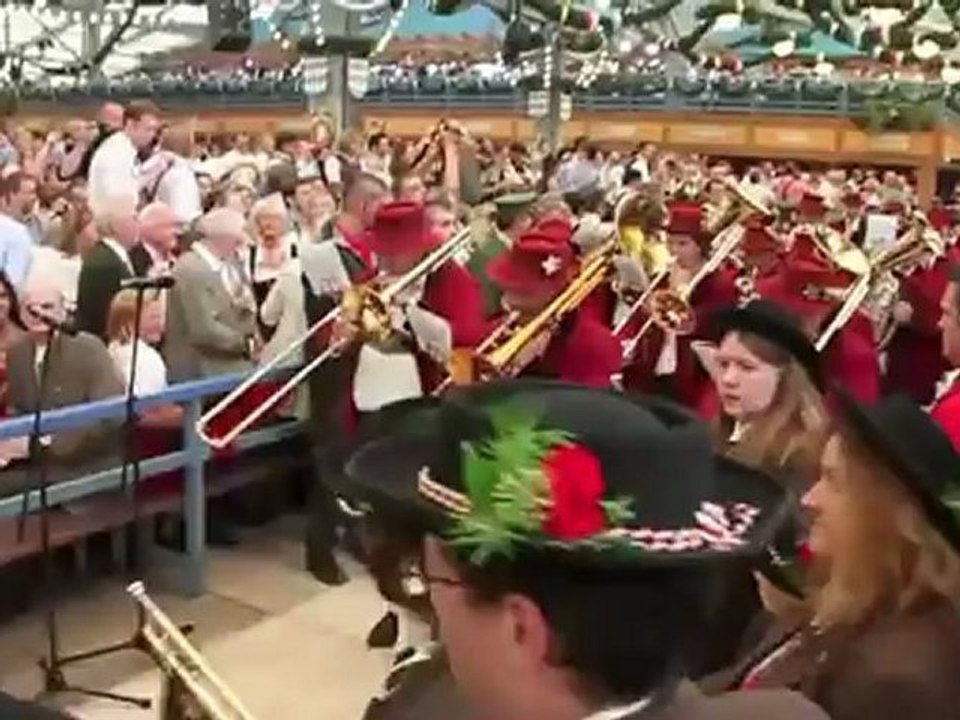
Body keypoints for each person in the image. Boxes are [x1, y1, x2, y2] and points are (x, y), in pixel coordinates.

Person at [345, 379, 830, 720]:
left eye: (432, 582)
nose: (433, 608)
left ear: (521, 628)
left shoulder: (416, 707)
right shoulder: (787, 712)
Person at [716, 394, 960, 720]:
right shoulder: (846, 605)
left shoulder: (892, 680)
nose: (809, 499)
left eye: (832, 480)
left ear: (889, 514)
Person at [621, 199, 738, 407]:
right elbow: (644, 323)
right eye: (671, 242)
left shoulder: (718, 283)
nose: (674, 250)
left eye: (683, 244)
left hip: (692, 379)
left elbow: (713, 327)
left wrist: (671, 309)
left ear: (700, 246)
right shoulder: (662, 277)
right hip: (653, 373)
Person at [486, 223, 621, 388]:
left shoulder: (594, 344)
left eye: (519, 288)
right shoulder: (499, 331)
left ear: (552, 292)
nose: (506, 295)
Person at [7, 281, 123, 463]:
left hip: (86, 459)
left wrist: (48, 445)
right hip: (32, 460)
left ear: (63, 311)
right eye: (31, 309)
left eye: (47, 307)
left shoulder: (88, 348)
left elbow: (110, 412)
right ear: (20, 314)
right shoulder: (17, 353)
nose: (39, 314)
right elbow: (17, 409)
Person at [165, 207, 258, 383]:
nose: (243, 244)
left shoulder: (231, 264)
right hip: (202, 373)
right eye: (239, 239)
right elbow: (204, 329)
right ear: (227, 238)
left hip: (232, 369)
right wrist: (247, 345)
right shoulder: (190, 270)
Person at [75, 198, 138, 339]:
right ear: (115, 226)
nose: (138, 224)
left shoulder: (112, 256)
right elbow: (103, 315)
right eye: (134, 218)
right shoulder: (105, 264)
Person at [88, 100, 164, 216]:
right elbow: (120, 199)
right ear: (131, 124)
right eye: (149, 129)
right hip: (111, 221)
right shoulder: (118, 152)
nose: (153, 135)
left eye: (155, 130)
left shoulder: (123, 148)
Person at [0, 172, 37, 289]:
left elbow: (14, 281)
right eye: (30, 192)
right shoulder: (14, 231)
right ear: (11, 195)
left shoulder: (19, 231)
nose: (35, 197)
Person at [131, 202, 179, 278]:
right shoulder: (131, 259)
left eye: (177, 226)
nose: (177, 232)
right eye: (169, 226)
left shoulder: (181, 256)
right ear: (149, 228)